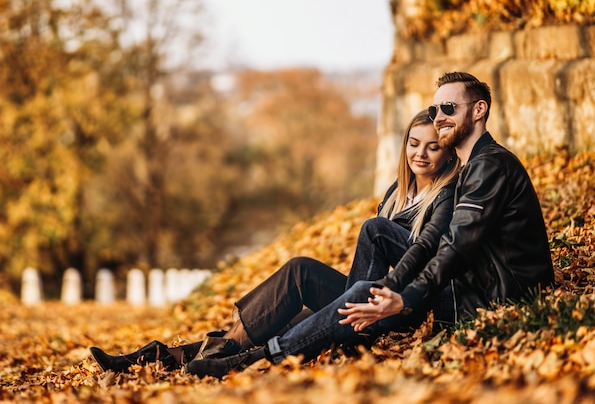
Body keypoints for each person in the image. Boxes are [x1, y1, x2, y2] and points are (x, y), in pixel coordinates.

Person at [178, 71, 554, 378]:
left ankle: (258, 358)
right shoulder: (472, 166)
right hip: (468, 288)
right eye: (434, 107)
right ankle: (214, 347)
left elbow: (454, 248)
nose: (439, 116)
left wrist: (401, 296)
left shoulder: (488, 165)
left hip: (490, 298)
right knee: (338, 258)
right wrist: (387, 288)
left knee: (362, 275)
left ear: (479, 110)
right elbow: (426, 247)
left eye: (449, 107)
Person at [90, 109, 461, 376]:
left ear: (447, 153)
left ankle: (230, 356)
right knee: (293, 288)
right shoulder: (397, 193)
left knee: (296, 320)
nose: (420, 154)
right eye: (414, 144)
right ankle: (156, 357)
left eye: (433, 147)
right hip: (358, 294)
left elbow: (427, 262)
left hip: (394, 309)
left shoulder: (444, 198)